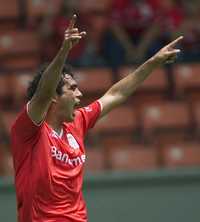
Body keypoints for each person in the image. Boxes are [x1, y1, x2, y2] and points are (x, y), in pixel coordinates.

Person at [11, 14, 183, 222]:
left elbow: (115, 94)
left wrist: (153, 62)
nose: (79, 95)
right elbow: (43, 93)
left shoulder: (77, 122)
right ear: (54, 98)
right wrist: (64, 51)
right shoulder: (28, 131)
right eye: (72, 89)